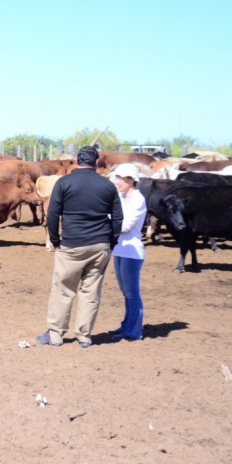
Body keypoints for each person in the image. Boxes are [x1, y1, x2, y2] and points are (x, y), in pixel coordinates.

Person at [37, 146, 123, 348]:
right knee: (91, 291)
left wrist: (55, 240)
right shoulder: (107, 185)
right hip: (100, 245)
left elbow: (52, 214)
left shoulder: (64, 182)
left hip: (72, 244)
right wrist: (111, 241)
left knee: (63, 289)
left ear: (76, 160)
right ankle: (84, 336)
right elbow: (118, 217)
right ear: (96, 162)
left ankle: (56, 334)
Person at [108, 163, 147, 341]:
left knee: (131, 293)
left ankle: (134, 330)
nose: (117, 181)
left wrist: (104, 223)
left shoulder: (137, 200)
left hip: (131, 252)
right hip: (121, 250)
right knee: (126, 292)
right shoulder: (123, 198)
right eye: (117, 178)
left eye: (121, 178)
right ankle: (127, 326)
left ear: (131, 180)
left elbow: (125, 226)